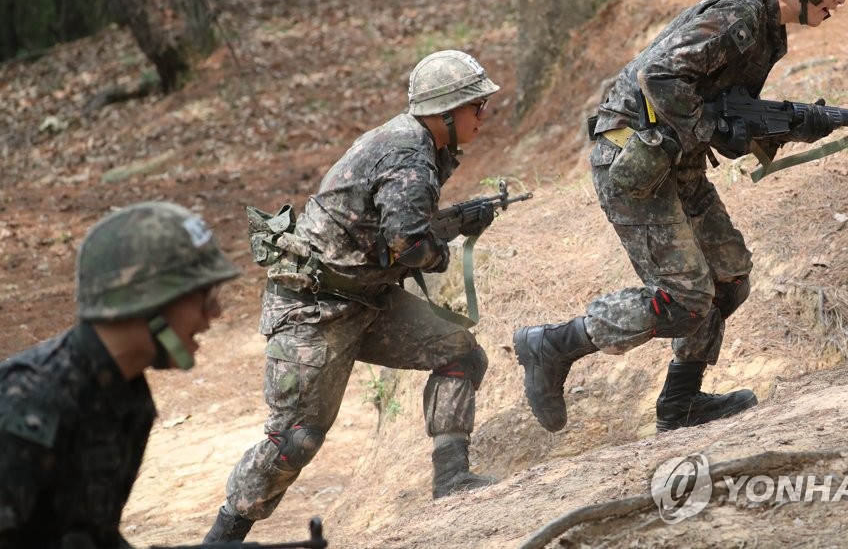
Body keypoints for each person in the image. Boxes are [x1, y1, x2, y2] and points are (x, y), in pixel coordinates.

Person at [513, 0, 848, 433]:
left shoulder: (769, 35)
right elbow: (657, 77)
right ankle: (551, 345)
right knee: (684, 298)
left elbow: (730, 114)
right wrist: (711, 129)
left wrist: (798, 125)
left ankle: (681, 402)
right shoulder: (740, 17)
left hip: (674, 160)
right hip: (633, 158)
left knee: (729, 278)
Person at [203, 49, 501, 543]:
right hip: (314, 311)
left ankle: (452, 479)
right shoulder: (409, 156)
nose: (483, 116)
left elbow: (392, 234)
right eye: (476, 106)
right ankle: (223, 536)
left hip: (365, 299)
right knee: (294, 439)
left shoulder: (418, 145)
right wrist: (444, 248)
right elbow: (409, 246)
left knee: (459, 353)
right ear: (444, 113)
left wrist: (453, 224)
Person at [0, 202, 241, 549]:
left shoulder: (128, 400)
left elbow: (90, 534)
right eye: (203, 295)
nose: (215, 313)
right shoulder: (29, 405)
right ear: (147, 300)